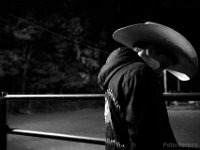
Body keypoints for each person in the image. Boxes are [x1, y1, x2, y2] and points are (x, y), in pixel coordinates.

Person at [98, 22, 198, 150]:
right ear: (151, 50)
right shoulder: (140, 73)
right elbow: (143, 133)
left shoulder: (115, 73)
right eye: (163, 64)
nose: (161, 72)